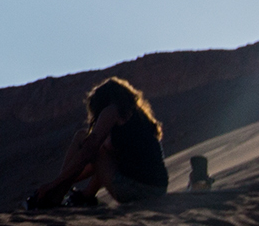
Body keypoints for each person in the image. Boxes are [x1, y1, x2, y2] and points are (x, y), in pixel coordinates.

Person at [24, 77, 170, 209]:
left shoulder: (112, 111)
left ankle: (55, 196)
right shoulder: (138, 117)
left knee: (85, 139)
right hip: (158, 189)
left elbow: (89, 152)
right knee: (103, 148)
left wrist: (54, 184)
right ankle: (83, 195)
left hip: (134, 190)